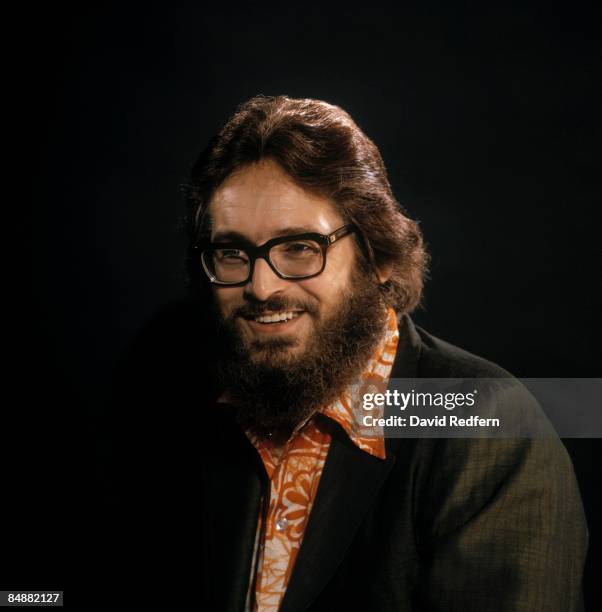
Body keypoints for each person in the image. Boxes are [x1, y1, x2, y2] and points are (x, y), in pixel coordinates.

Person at [105, 95, 587, 611]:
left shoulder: (487, 421)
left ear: (378, 256)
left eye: (300, 248)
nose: (262, 286)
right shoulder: (171, 384)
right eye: (231, 253)